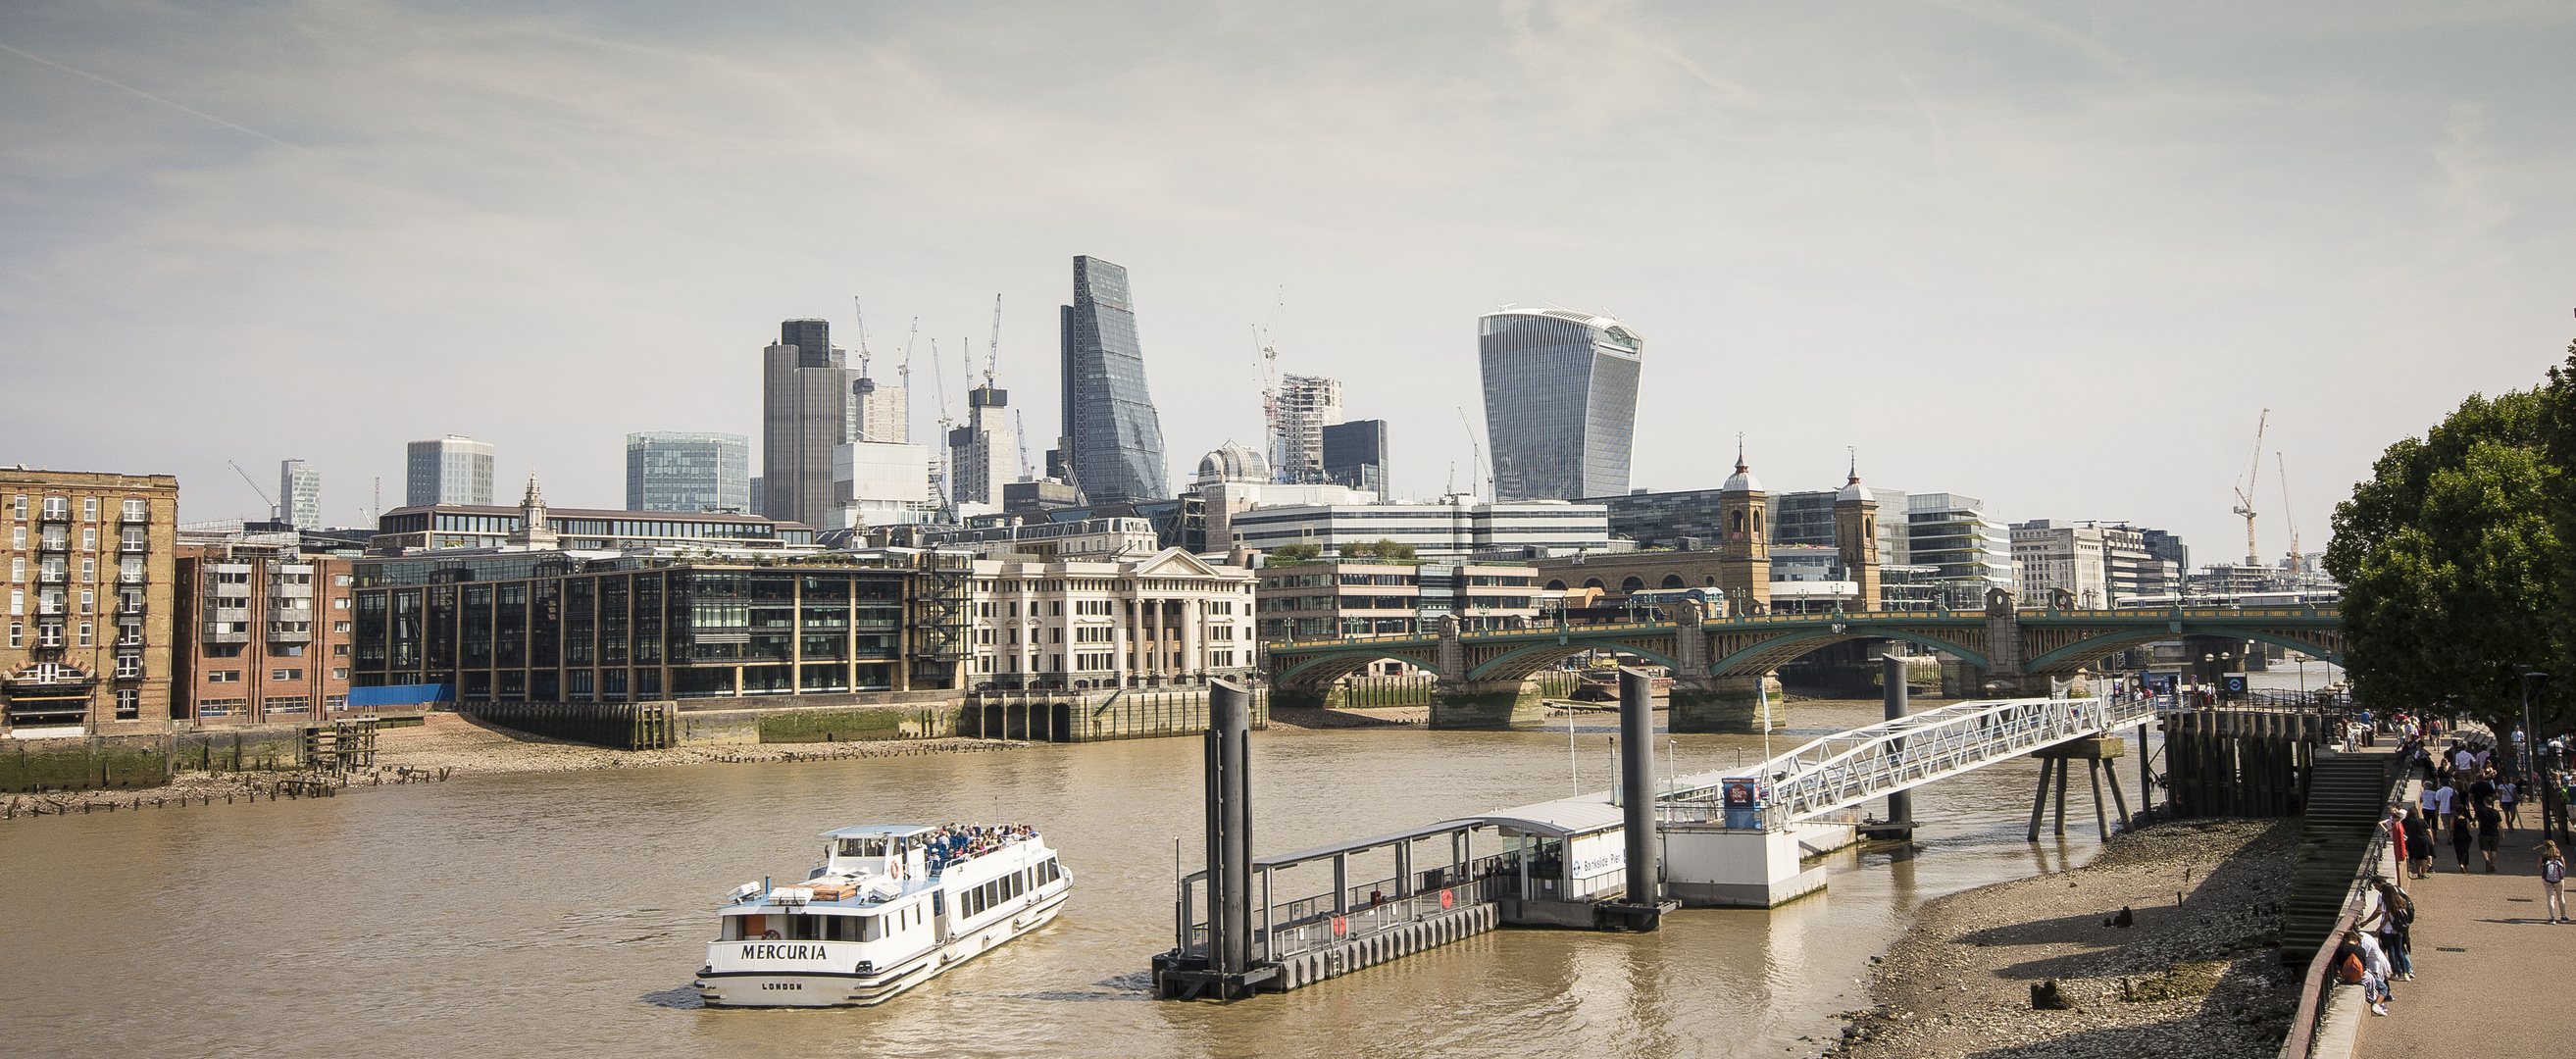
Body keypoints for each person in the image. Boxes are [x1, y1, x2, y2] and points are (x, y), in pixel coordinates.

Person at [2355, 930, 2392, 1015]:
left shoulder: (2365, 943)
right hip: (2374, 962)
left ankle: (2378, 1004)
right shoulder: (2363, 935)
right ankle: (2380, 1003)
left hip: (2376, 963)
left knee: (2379, 984)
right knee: (2381, 983)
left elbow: (2364, 957)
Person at [2402, 808, 2435, 880]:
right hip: (2424, 840)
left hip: (2413, 840)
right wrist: (2432, 841)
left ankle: (2419, 873)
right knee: (2424, 858)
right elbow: (2428, 831)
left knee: (2417, 857)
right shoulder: (2421, 821)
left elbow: (2402, 831)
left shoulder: (2404, 821)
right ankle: (2424, 873)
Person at [2541, 840, 2568, 924]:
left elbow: (2538, 866)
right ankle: (2563, 916)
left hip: (2547, 879)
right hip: (2559, 879)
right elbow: (2564, 867)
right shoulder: (2559, 856)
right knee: (2561, 897)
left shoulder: (2544, 855)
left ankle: (2552, 917)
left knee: (2550, 897)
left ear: (2545, 847)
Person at [2451, 803, 2478, 873]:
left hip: (2457, 836)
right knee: (2466, 851)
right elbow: (2469, 829)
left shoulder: (2453, 818)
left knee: (2458, 851)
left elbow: (2451, 828)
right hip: (2466, 836)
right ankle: (2465, 866)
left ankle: (2461, 863)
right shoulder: (2466, 819)